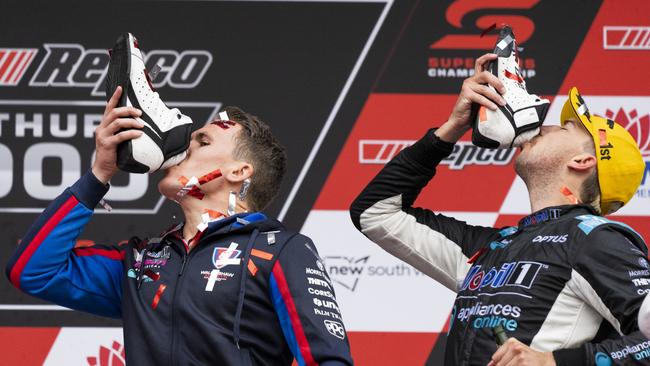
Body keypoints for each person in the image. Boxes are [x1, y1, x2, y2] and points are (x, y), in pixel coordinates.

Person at [6, 86, 353, 366]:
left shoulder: (279, 250)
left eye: (202, 141)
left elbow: (328, 360)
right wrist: (99, 176)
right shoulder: (142, 260)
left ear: (238, 172)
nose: (183, 147)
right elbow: (33, 271)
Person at [350, 53, 649, 366]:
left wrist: (555, 362)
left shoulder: (596, 240)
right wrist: (453, 127)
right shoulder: (491, 248)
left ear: (583, 161)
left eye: (564, 129)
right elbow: (375, 212)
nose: (540, 128)